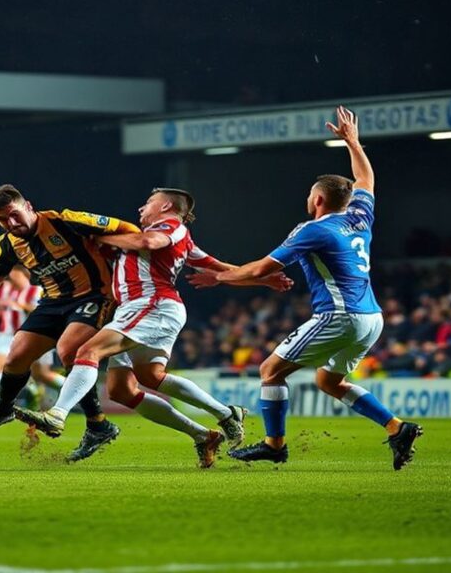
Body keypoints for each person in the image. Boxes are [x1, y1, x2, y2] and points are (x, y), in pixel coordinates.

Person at [188, 106, 423, 471]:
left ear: (317, 200)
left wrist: (219, 276)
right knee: (330, 381)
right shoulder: (360, 217)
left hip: (339, 315)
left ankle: (274, 445)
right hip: (371, 317)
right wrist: (353, 143)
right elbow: (366, 181)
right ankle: (397, 428)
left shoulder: (311, 230)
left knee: (270, 370)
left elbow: (261, 268)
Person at [15, 188, 293, 468]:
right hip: (139, 310)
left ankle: (57, 414)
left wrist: (99, 238)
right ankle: (209, 429)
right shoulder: (179, 240)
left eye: (149, 203)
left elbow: (151, 241)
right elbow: (221, 269)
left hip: (151, 305)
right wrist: (263, 280)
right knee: (128, 386)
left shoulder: (170, 226)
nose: (141, 208)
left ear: (167, 206)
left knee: (88, 351)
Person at [0, 184, 140, 461]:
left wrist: (113, 250)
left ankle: (96, 423)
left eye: (14, 214)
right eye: (1, 220)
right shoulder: (6, 245)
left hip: (96, 295)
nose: (10, 223)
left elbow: (129, 229)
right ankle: (4, 410)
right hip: (53, 302)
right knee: (16, 357)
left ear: (28, 206)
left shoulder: (66, 221)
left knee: (69, 350)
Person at [0, 265, 63, 410]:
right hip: (7, 335)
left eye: (15, 275)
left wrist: (22, 305)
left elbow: (44, 312)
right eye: (10, 275)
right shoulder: (6, 288)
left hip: (34, 336)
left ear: (25, 275)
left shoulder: (37, 291)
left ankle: (79, 393)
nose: (11, 278)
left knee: (42, 375)